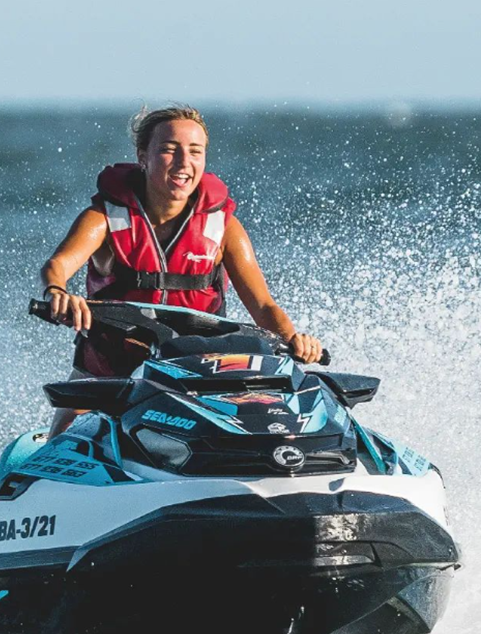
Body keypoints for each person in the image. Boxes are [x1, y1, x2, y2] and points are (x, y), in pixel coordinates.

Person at [40, 105, 323, 435]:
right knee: (70, 424)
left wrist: (293, 339)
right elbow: (57, 266)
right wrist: (58, 293)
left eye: (194, 151)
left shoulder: (224, 228)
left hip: (198, 368)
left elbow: (263, 306)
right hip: (111, 367)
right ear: (143, 156)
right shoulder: (104, 218)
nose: (183, 162)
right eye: (168, 150)